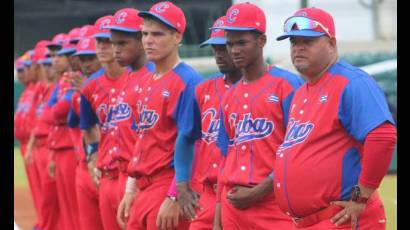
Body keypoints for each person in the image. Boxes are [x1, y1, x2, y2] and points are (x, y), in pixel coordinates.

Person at [274, 7, 397, 229]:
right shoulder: (301, 93)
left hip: (342, 219)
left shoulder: (351, 81)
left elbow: (383, 136)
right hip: (308, 221)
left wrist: (361, 196)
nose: (298, 47)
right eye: (293, 42)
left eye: (307, 41)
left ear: (331, 44)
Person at [211, 2, 303, 229]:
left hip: (275, 204)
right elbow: (226, 157)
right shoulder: (229, 95)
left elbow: (299, 152)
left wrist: (259, 191)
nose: (234, 50)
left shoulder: (288, 85)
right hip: (233, 205)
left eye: (242, 42)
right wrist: (217, 217)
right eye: (230, 44)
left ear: (261, 41)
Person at [121, 2, 202, 229]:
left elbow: (195, 143)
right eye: (145, 33)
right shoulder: (147, 80)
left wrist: (175, 194)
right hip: (144, 186)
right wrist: (130, 188)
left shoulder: (188, 81)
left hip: (167, 184)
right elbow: (142, 140)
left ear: (177, 37)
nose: (148, 40)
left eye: (157, 34)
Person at [80, 9, 152, 230]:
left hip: (137, 178)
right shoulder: (91, 85)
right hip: (108, 175)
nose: (104, 47)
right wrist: (92, 154)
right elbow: (87, 125)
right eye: (100, 41)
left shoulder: (149, 76)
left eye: (108, 41)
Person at [68, 34, 105, 230]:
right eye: (82, 59)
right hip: (90, 164)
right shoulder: (85, 89)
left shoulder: (102, 86)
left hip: (116, 171)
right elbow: (76, 123)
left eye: (91, 58)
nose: (86, 64)